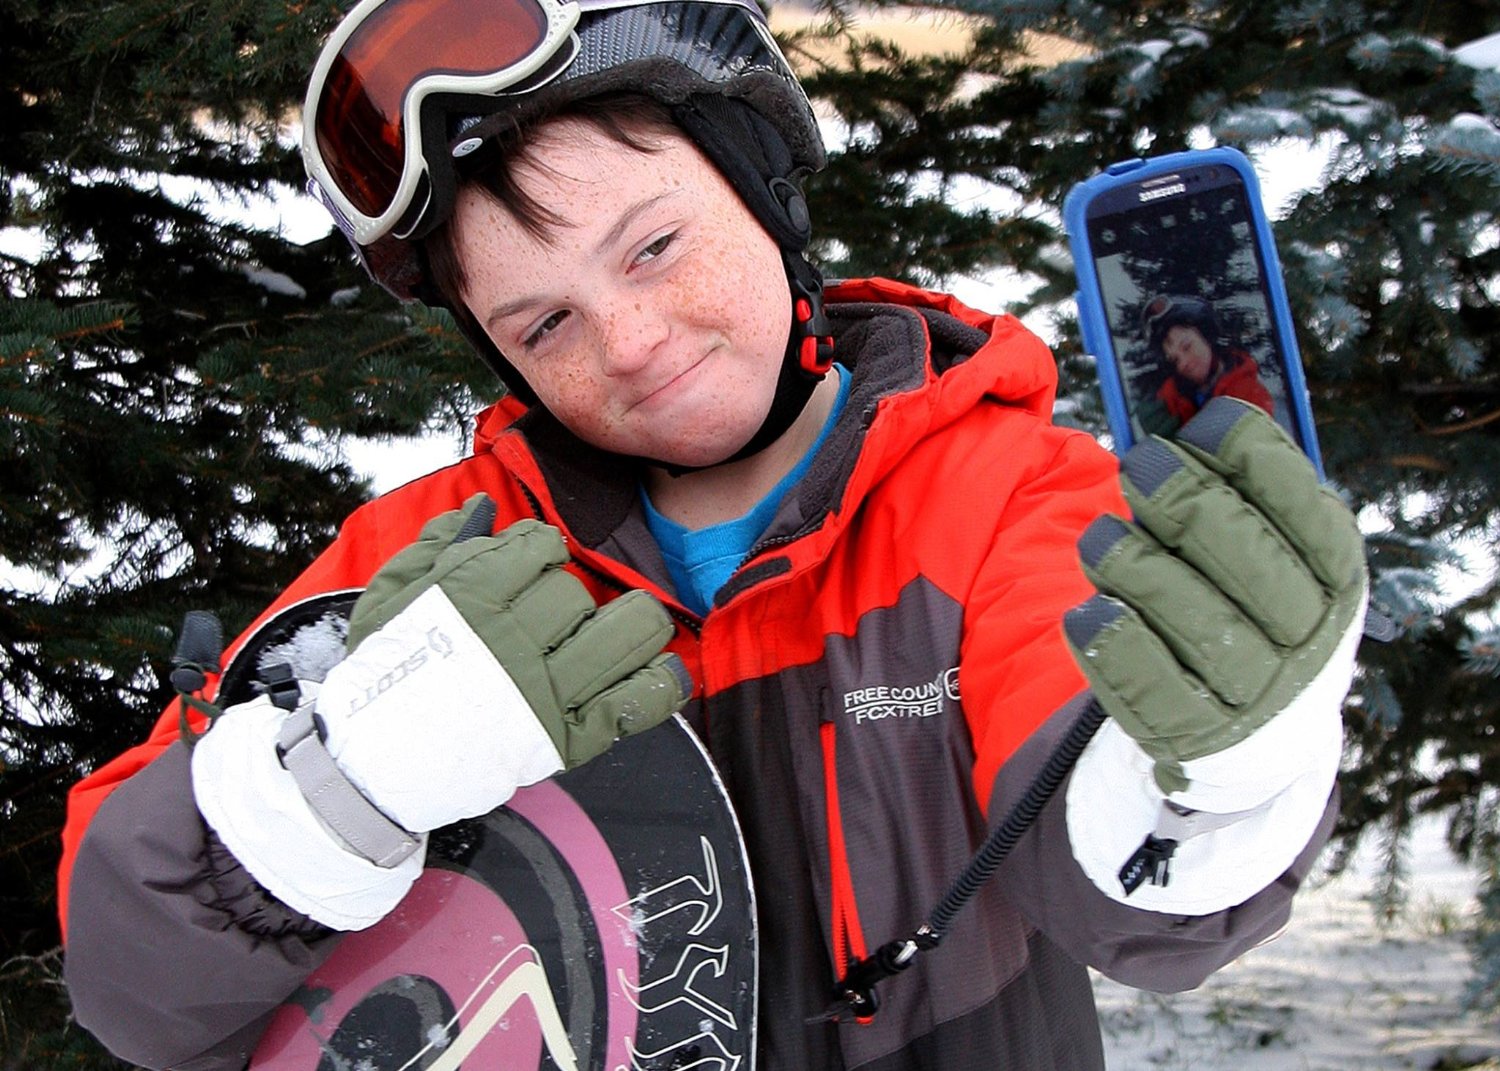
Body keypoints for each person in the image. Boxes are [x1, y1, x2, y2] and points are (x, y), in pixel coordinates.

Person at [57, 1, 1369, 1069]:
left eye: (654, 246)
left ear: (759, 186)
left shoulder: (1005, 496)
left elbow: (1144, 900)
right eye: (545, 325)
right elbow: (135, 983)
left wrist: (1226, 764)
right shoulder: (438, 565)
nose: (631, 343)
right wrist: (348, 777)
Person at [1136, 293, 1276, 437]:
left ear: (1206, 336)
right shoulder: (1170, 403)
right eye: (1175, 360)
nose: (1183, 363)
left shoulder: (1248, 397)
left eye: (1187, 347)